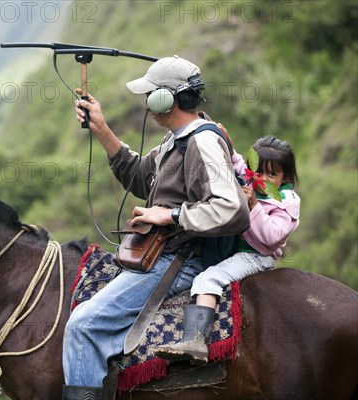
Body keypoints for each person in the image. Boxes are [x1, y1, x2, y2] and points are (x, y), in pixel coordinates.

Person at [61, 56, 251, 399]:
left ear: (167, 99)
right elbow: (138, 176)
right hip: (166, 253)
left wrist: (171, 216)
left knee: (82, 327)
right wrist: (101, 129)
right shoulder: (175, 141)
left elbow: (233, 209)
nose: (147, 103)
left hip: (182, 259)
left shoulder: (201, 142)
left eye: (151, 95)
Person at [154, 133, 301, 365]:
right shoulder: (252, 183)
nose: (263, 179)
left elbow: (271, 237)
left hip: (256, 255)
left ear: (285, 178)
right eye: (259, 172)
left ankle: (195, 340)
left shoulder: (286, 202)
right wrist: (228, 146)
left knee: (208, 279)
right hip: (239, 249)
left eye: (272, 174)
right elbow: (240, 166)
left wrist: (253, 206)